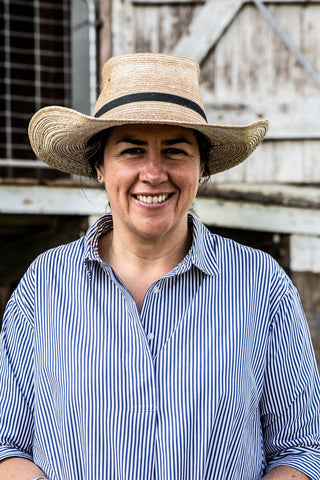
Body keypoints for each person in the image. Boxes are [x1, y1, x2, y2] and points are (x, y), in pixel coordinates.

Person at [0, 53, 319, 480]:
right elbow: (8, 445)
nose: (153, 173)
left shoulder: (261, 285)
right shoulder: (44, 286)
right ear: (99, 167)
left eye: (175, 150)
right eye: (132, 151)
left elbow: (301, 450)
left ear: (201, 167)